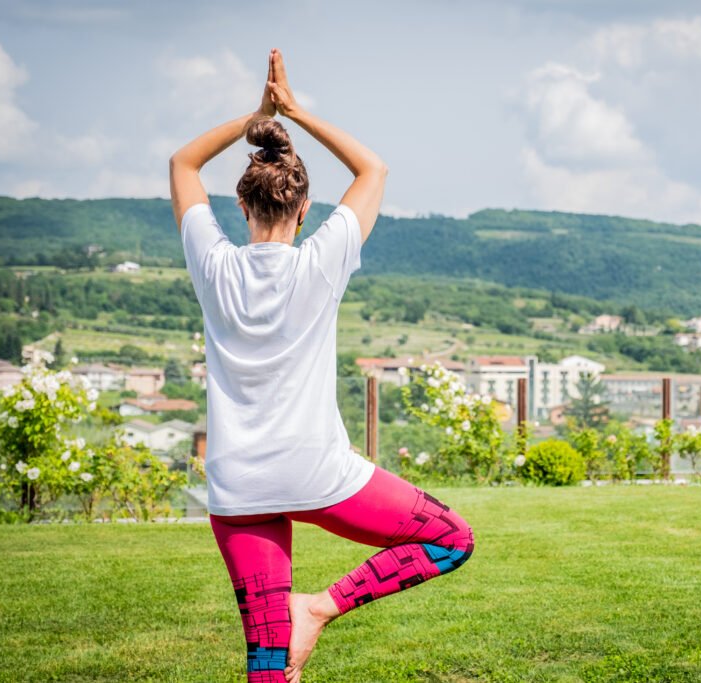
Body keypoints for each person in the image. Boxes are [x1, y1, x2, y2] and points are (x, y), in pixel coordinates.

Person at [169, 49, 475, 683]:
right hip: (319, 472)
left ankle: (292, 631)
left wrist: (257, 115)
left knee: (268, 668)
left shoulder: (212, 264)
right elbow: (374, 167)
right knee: (451, 539)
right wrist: (295, 113)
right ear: (306, 211)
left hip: (237, 488)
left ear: (240, 206)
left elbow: (182, 161)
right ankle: (317, 610)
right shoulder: (322, 259)